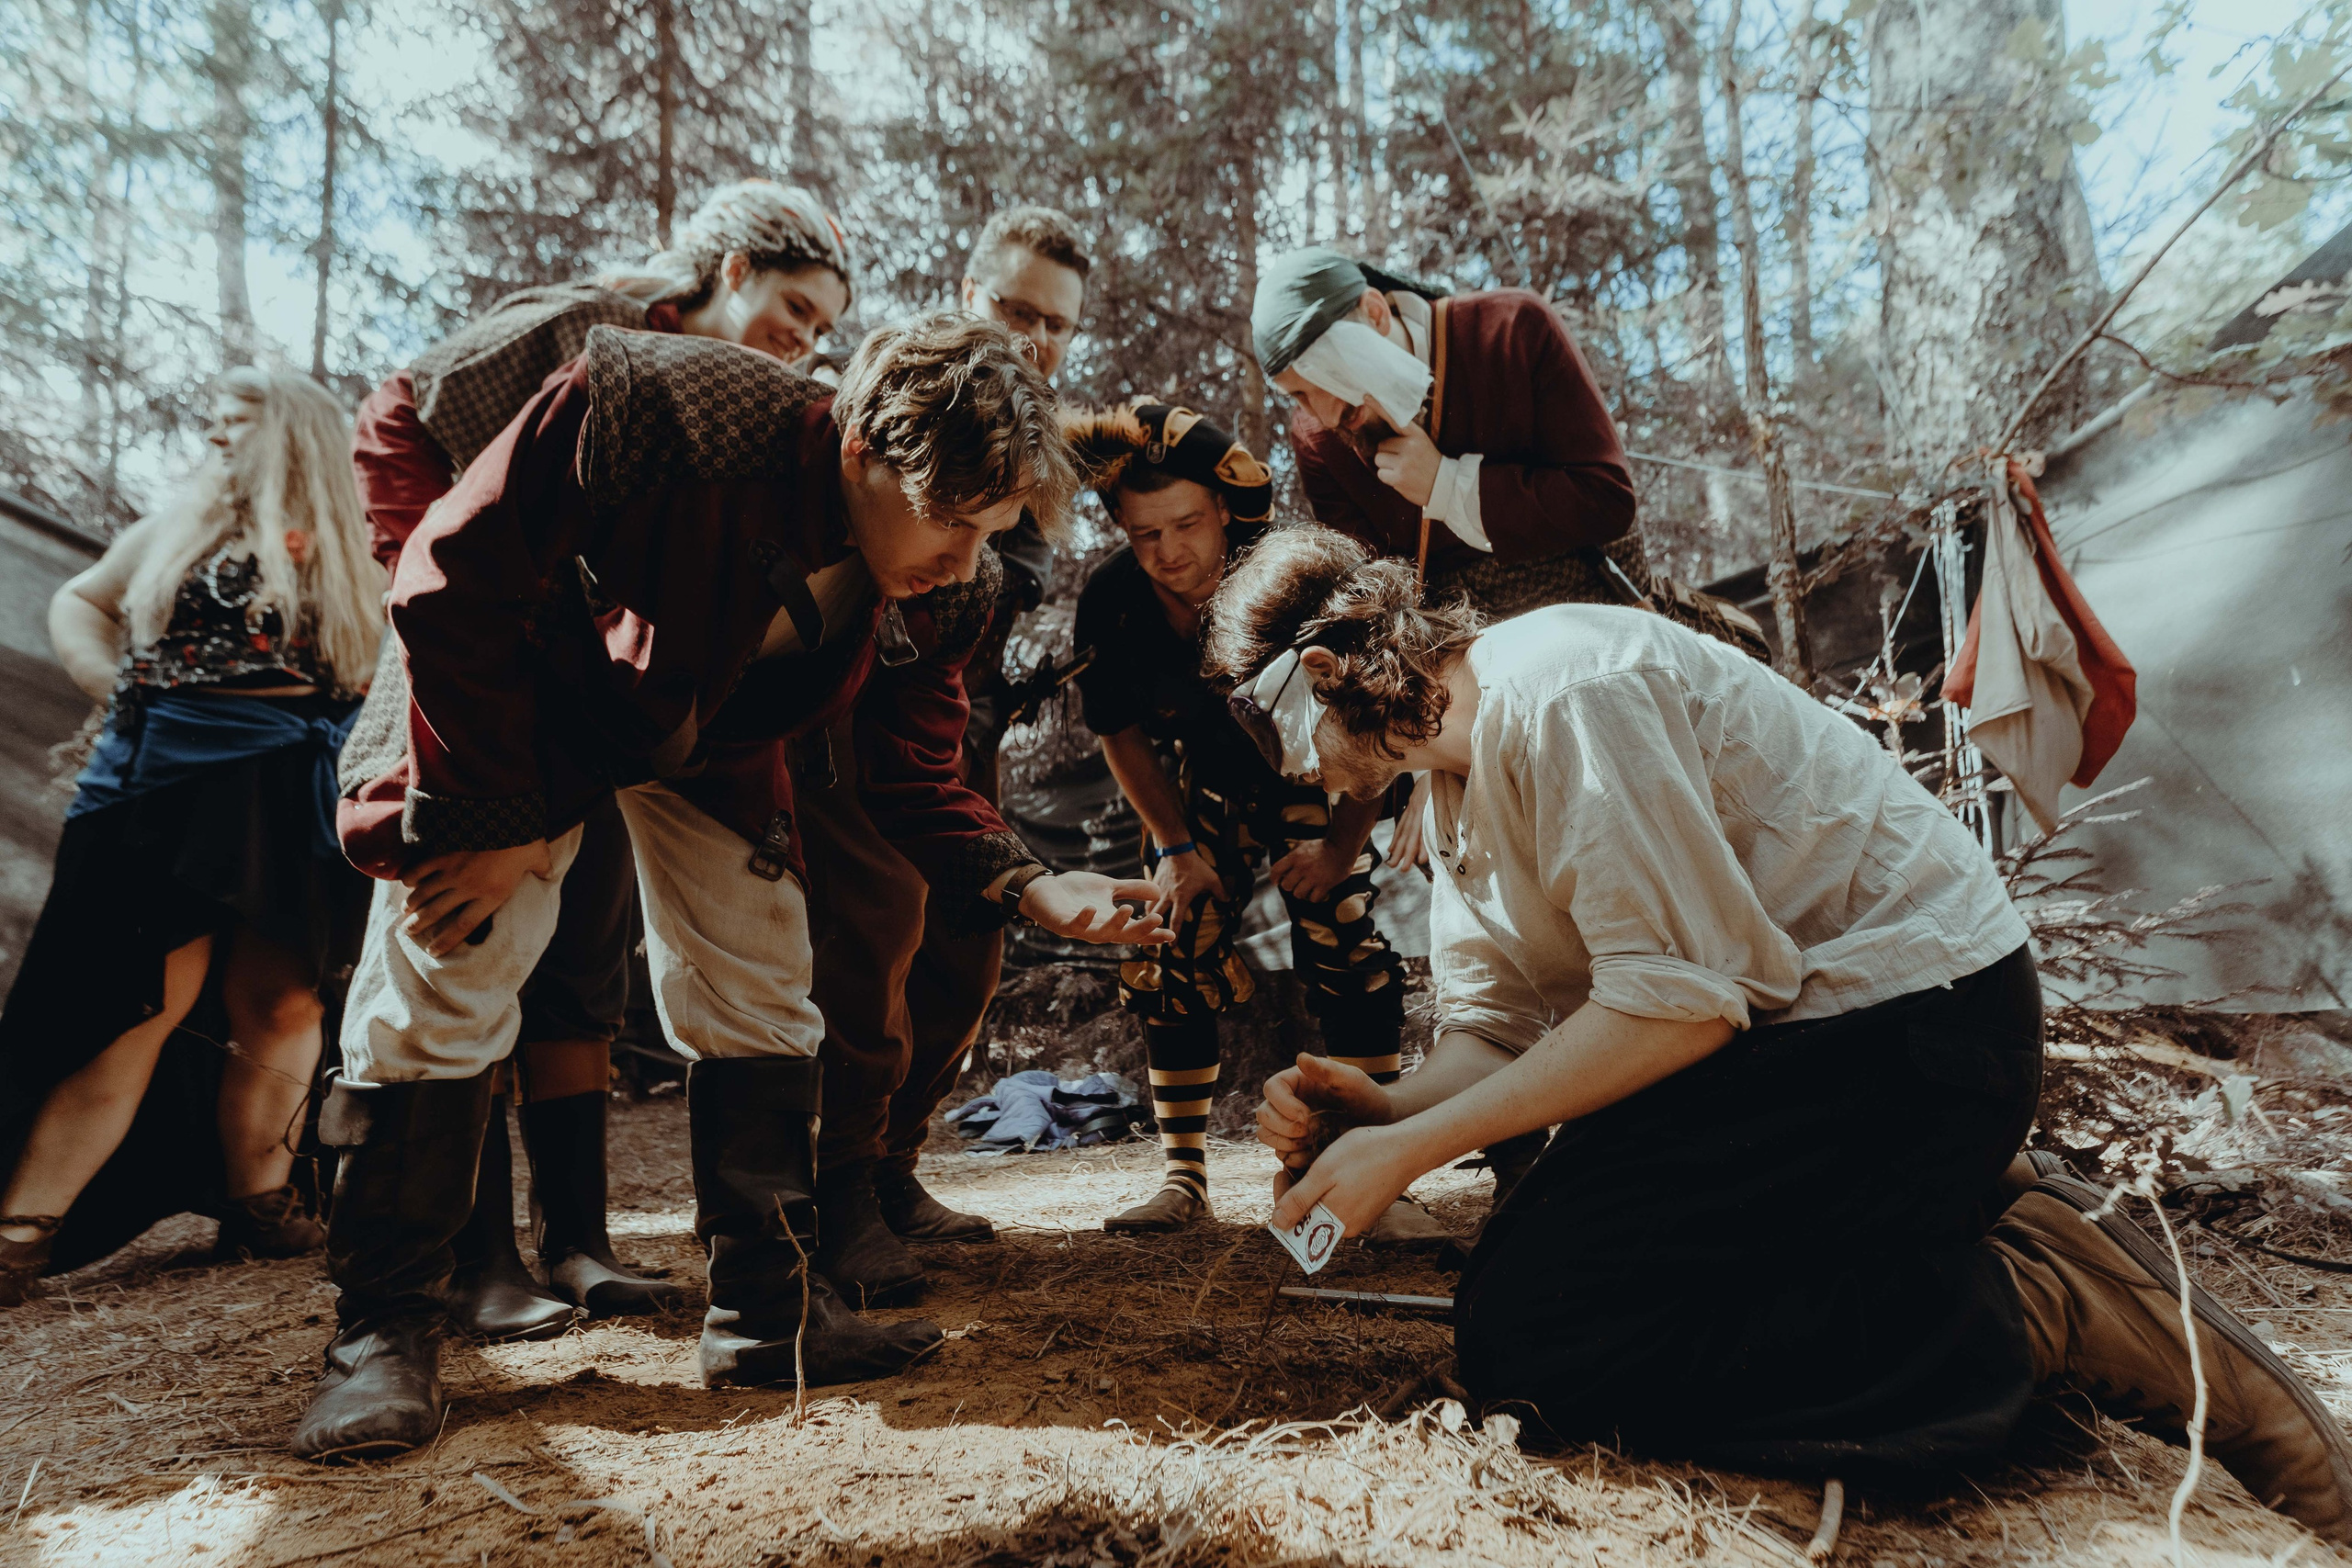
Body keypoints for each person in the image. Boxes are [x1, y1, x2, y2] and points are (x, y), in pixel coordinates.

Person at [1226, 526, 2352, 1540]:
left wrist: (1413, 1153)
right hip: (1785, 1053)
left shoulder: (1561, 689)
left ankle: (2041, 1301)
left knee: (1539, 1335)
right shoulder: (1451, 781)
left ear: (1331, 676)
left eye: (1280, 736)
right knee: (1534, 1328)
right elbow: (1507, 1027)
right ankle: (1934, 1218)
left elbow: (1683, 1003)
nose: (1294, 773)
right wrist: (1387, 1110)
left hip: (1920, 1031)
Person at [294, 310, 1170, 1463]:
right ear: (863, 451)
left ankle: (766, 1313)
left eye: (990, 530)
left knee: (763, 971)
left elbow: (911, 765)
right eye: (952, 522)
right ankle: (383, 1335)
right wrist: (495, 814)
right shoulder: (661, 406)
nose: (965, 559)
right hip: (511, 698)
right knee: (453, 960)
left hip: (705, 737)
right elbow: (454, 572)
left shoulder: (947, 588)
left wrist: (1027, 884)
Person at [347, 180, 854, 1338]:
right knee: (477, 911)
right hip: (489, 644)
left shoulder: (769, 442)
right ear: (729, 274)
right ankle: (468, 1265)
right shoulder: (585, 338)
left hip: (628, 687)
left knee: (584, 957)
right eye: (792, 306)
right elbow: (401, 415)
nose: (803, 340)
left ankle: (576, 1243)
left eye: (824, 330)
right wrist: (428, 579)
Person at [0, 368, 384, 1306]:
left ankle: (260, 1203)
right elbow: (81, 602)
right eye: (209, 426)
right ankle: (21, 1229)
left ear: (291, 437)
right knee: (138, 1004)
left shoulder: (356, 540)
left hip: (295, 793)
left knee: (285, 1004)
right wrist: (112, 687)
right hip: (175, 790)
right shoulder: (176, 531)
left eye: (233, 428)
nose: (213, 442)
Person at [797, 206, 1093, 1309]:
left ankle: (890, 1169)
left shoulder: (1032, 464)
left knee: (966, 947)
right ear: (967, 297)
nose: (1034, 339)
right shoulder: (898, 417)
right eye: (1014, 311)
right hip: (828, 727)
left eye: (1054, 325)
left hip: (948, 736)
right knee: (871, 931)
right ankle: (832, 1194)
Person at [1064, 402, 1415, 1235]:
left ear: (1225, 508)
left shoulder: (1300, 575)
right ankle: (1184, 1179)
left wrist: (1338, 845)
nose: (1168, 552)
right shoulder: (1112, 599)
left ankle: (1366, 1164)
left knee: (1344, 931)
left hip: (1317, 769)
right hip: (1200, 785)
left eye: (1185, 524)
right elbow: (1117, 731)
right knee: (1171, 933)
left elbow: (1375, 719)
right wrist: (1177, 848)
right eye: (1144, 534)